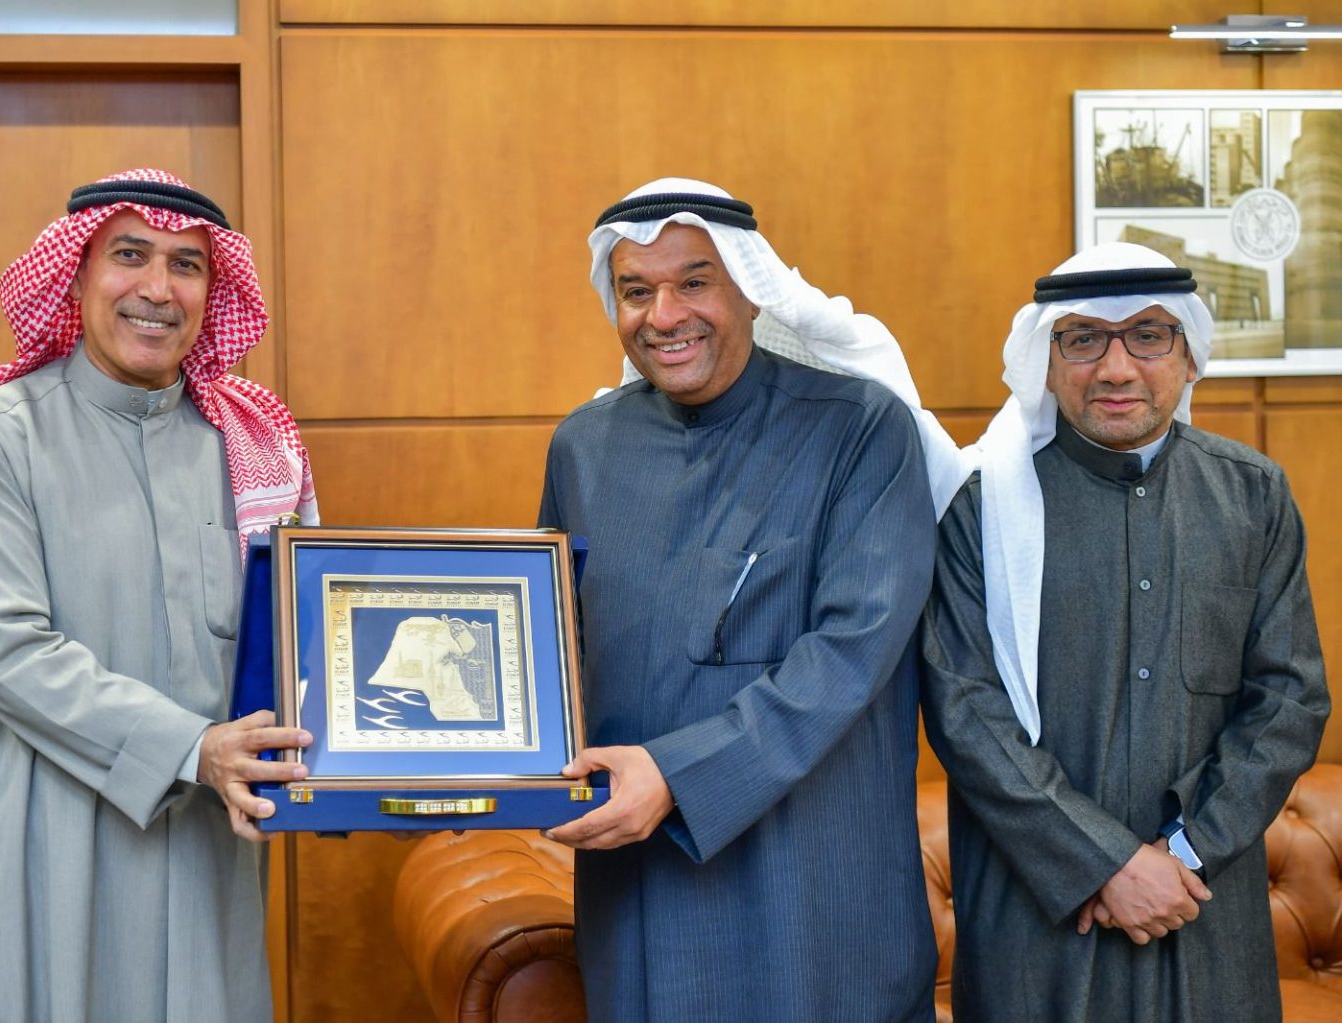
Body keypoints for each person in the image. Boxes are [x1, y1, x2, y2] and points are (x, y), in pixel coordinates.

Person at [540, 178, 965, 1021]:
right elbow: (550, 653)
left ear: (750, 287)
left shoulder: (861, 429)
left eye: (694, 282)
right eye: (636, 290)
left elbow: (851, 656)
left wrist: (675, 775)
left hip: (812, 890)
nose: (664, 315)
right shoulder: (583, 446)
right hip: (640, 887)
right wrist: (458, 766)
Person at [0, 169, 320, 1022]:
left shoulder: (253, 450)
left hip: (203, 860)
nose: (158, 289)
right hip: (40, 855)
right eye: (130, 255)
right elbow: (10, 657)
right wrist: (195, 747)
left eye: (187, 264)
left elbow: (304, 645)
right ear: (76, 275)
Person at [920, 242, 1330, 1021]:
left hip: (1203, 911)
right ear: (1046, 362)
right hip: (1039, 922)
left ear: (1189, 356)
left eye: (1147, 335)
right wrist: (1103, 862)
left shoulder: (1253, 496)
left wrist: (1183, 852)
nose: (1115, 368)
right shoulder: (981, 509)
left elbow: (1289, 701)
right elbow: (964, 711)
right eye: (1083, 339)